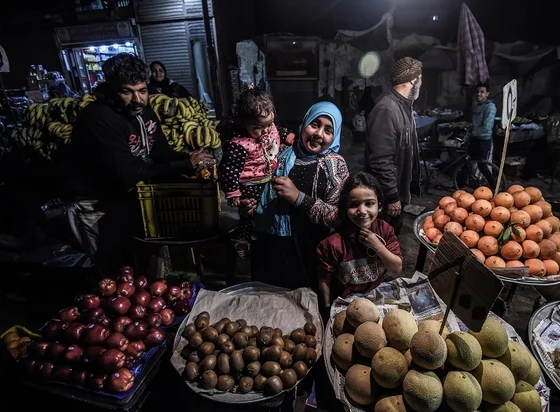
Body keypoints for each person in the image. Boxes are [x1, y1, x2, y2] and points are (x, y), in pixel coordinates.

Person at [59, 53, 209, 275]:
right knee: (114, 269)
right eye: (127, 92)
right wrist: (182, 166)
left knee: (139, 262)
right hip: (92, 203)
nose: (138, 99)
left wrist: (189, 158)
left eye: (142, 90)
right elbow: (127, 171)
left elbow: (160, 152)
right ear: (111, 90)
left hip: (123, 195)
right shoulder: (99, 118)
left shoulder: (144, 112)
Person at [244, 101, 349, 291]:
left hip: (308, 249)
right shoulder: (280, 153)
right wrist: (251, 203)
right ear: (304, 123)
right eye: (315, 125)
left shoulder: (335, 166)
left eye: (328, 130)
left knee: (304, 304)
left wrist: (298, 197)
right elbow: (261, 187)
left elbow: (338, 217)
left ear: (335, 136)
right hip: (271, 245)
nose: (318, 134)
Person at [219, 86, 294, 257]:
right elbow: (230, 168)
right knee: (249, 212)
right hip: (249, 183)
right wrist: (233, 192)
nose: (266, 130)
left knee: (267, 208)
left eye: (269, 124)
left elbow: (279, 130)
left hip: (267, 176)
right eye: (258, 127)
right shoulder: (239, 144)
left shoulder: (268, 127)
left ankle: (263, 235)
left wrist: (289, 137)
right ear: (242, 123)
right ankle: (243, 240)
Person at [317, 172, 402, 310]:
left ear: (379, 206)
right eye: (354, 204)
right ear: (345, 208)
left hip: (376, 294)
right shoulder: (332, 244)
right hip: (347, 302)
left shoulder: (385, 230)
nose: (362, 211)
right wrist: (327, 308)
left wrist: (378, 246)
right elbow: (324, 280)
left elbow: (396, 268)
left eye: (369, 203)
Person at [365, 57, 423, 235]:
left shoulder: (404, 106)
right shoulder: (387, 109)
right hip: (385, 194)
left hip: (398, 189)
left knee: (391, 235)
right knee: (384, 237)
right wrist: (392, 196)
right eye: (420, 78)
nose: (421, 83)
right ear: (412, 80)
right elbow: (381, 160)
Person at [469, 83, 497, 189]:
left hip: (483, 139)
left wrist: (473, 133)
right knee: (468, 161)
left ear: (487, 94)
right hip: (475, 138)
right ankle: (462, 185)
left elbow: (486, 127)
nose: (478, 94)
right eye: (477, 92)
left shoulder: (490, 107)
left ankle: (493, 185)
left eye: (482, 92)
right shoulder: (477, 107)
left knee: (482, 164)